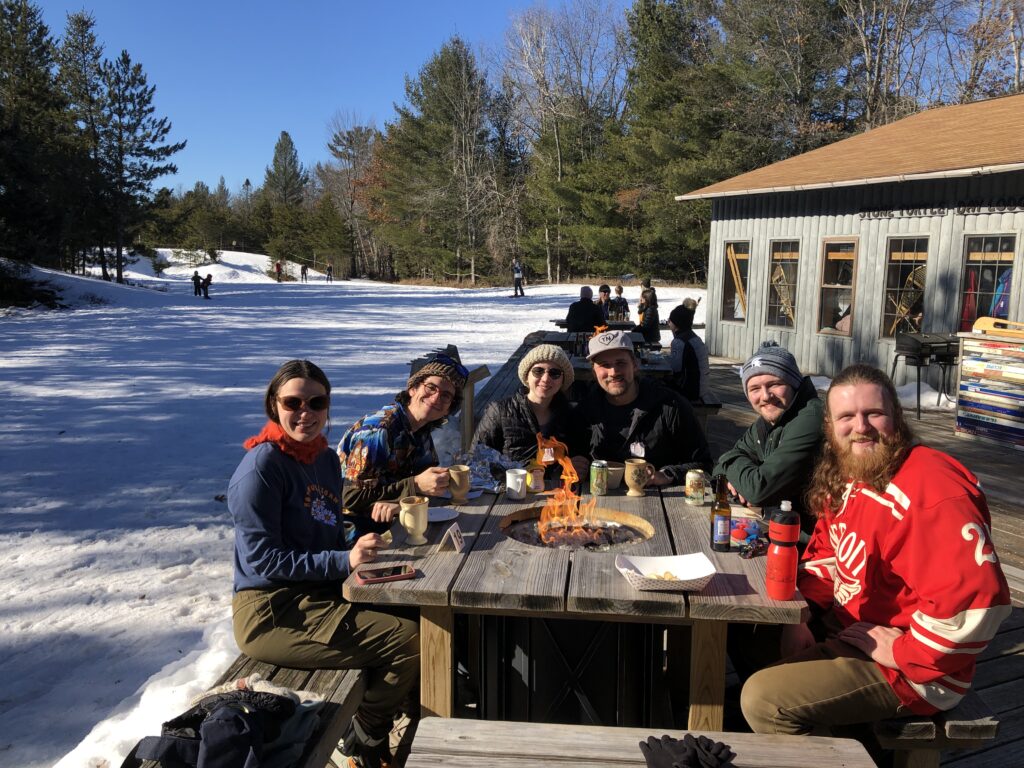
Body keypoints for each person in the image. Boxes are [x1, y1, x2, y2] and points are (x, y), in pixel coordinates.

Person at [741, 364, 1010, 742]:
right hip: (851, 628)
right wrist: (798, 617)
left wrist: (904, 652)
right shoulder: (852, 471)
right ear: (831, 427)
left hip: (916, 670)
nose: (860, 427)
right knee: (743, 630)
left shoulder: (930, 486)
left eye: (874, 414)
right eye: (846, 417)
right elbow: (826, 556)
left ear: (896, 418)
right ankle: (841, 734)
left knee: (763, 700)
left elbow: (977, 604)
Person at [229, 360, 418, 768]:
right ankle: (362, 738)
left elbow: (329, 527)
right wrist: (342, 559)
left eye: (317, 402)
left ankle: (401, 711)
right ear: (273, 406)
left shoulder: (325, 461)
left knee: (419, 610)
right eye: (293, 402)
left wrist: (366, 546)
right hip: (272, 609)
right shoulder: (262, 468)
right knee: (408, 640)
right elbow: (263, 560)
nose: (306, 412)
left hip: (321, 592)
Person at [338, 352, 467, 530]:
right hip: (355, 533)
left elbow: (426, 480)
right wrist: (414, 486)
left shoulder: (421, 430)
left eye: (446, 396)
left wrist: (405, 501)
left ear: (448, 409)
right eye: (431, 387)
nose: (436, 397)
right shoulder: (378, 431)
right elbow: (350, 498)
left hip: (398, 521)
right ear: (412, 389)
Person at [569, 330, 711, 488]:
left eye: (620, 363)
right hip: (598, 502)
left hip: (660, 504)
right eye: (604, 365)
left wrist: (667, 475)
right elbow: (572, 459)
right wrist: (574, 466)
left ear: (635, 365)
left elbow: (704, 464)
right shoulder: (584, 412)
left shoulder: (670, 406)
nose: (613, 372)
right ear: (594, 373)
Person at [712, 341, 822, 534]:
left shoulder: (811, 419)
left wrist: (737, 473)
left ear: (793, 384)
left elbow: (758, 489)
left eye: (775, 384)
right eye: (755, 389)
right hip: (779, 531)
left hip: (811, 547)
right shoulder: (768, 421)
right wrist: (734, 470)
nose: (765, 396)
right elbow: (721, 466)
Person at [473, 344, 576, 464]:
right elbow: (477, 457)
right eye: (538, 371)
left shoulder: (569, 415)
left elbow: (576, 453)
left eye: (555, 373)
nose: (546, 379)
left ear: (562, 381)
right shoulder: (499, 411)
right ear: (527, 376)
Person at [667, 298, 709, 403]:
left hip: (690, 391)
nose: (668, 322)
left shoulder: (679, 341)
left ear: (676, 323)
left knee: (654, 385)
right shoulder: (693, 337)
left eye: (670, 320)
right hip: (701, 388)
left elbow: (675, 369)